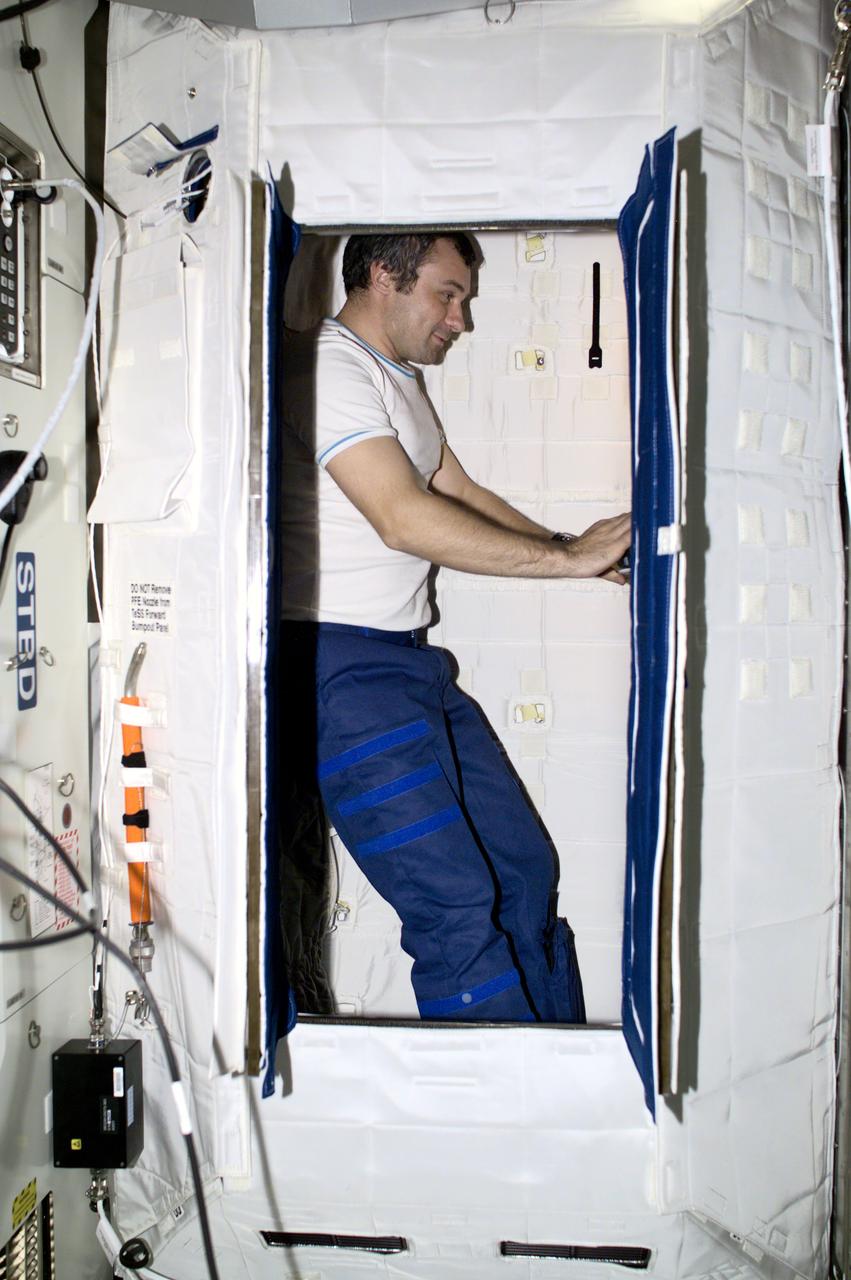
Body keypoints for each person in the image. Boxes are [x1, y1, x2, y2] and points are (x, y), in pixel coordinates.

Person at [279, 232, 630, 1024]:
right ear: (380, 276)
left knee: (522, 871)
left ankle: (552, 1064)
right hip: (337, 672)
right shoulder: (326, 368)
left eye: (462, 299)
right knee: (456, 908)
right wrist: (563, 567)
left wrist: (567, 547)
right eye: (447, 293)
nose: (459, 318)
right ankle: (501, 1123)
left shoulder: (392, 379)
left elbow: (452, 488)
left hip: (406, 668)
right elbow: (404, 520)